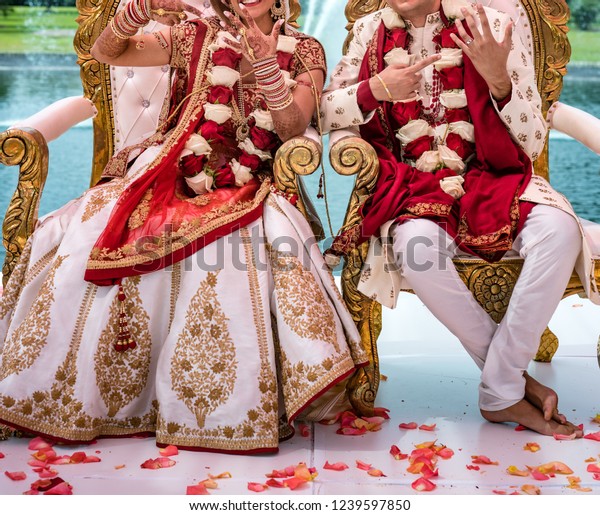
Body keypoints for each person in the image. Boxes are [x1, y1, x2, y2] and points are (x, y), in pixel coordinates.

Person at [0, 0, 367, 454]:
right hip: (170, 165)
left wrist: (270, 66)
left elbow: (294, 127)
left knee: (240, 247)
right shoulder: (195, 35)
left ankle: (206, 408)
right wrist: (139, 8)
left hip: (251, 175)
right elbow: (109, 52)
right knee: (88, 232)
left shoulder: (306, 50)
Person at [321, 0, 595, 437]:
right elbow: (325, 112)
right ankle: (509, 386)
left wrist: (498, 79)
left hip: (496, 177)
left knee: (560, 231)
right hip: (413, 187)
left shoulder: (492, 27)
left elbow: (533, 137)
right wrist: (376, 88)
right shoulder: (370, 32)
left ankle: (500, 390)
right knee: (415, 248)